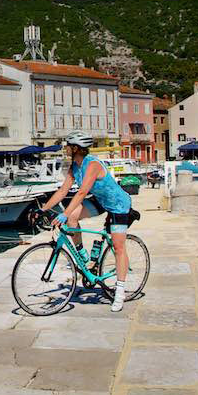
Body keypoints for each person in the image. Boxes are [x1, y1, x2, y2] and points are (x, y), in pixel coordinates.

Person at [41, 131, 134, 312]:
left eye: (67, 145)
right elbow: (62, 191)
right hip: (100, 201)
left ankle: (120, 292)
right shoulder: (74, 167)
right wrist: (43, 209)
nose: (65, 148)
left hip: (118, 204)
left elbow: (82, 192)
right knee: (74, 217)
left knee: (118, 247)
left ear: (75, 148)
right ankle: (83, 256)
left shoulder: (92, 165)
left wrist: (64, 214)